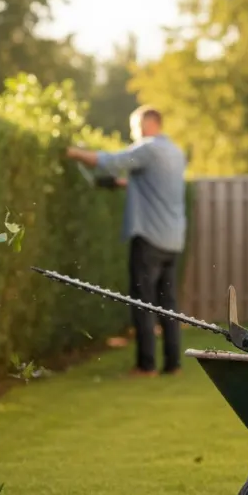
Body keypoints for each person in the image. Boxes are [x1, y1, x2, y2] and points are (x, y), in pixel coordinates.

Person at [65, 106, 188, 377]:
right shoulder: (176, 153)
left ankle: (146, 366)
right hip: (173, 239)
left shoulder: (149, 148)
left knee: (142, 302)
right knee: (168, 304)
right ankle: (173, 364)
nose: (134, 133)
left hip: (149, 237)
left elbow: (111, 160)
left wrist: (74, 152)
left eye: (135, 127)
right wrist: (121, 185)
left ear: (148, 123)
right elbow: (156, 187)